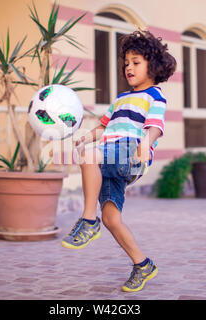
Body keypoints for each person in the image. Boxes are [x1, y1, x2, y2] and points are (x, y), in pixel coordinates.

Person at [61, 30, 177, 292]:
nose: (129, 67)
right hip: (110, 156)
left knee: (91, 157)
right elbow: (104, 128)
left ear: (153, 65)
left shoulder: (154, 96)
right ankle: (143, 265)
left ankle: (88, 221)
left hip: (131, 154)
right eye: (126, 63)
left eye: (136, 62)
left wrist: (146, 143)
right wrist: (86, 138)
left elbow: (156, 126)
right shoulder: (120, 100)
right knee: (112, 218)